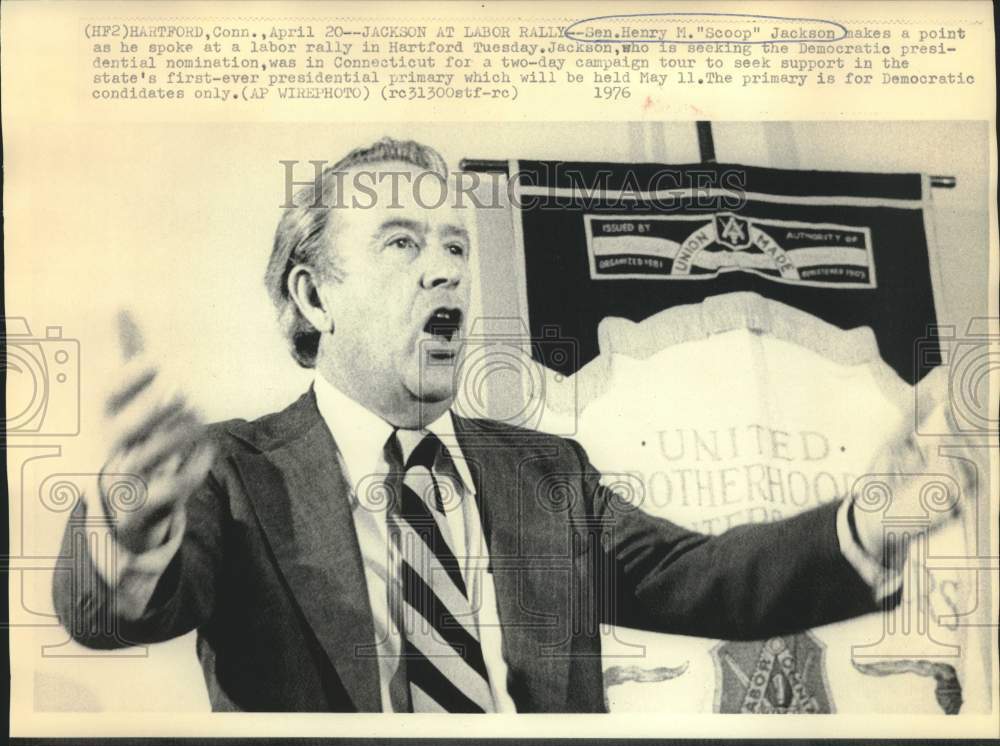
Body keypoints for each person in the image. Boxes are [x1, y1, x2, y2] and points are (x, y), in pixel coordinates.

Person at [53, 138, 967, 713]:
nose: (445, 269)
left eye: (455, 244)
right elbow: (112, 613)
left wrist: (869, 521)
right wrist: (132, 523)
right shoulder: (234, 472)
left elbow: (707, 582)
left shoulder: (550, 475)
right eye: (403, 243)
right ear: (314, 293)